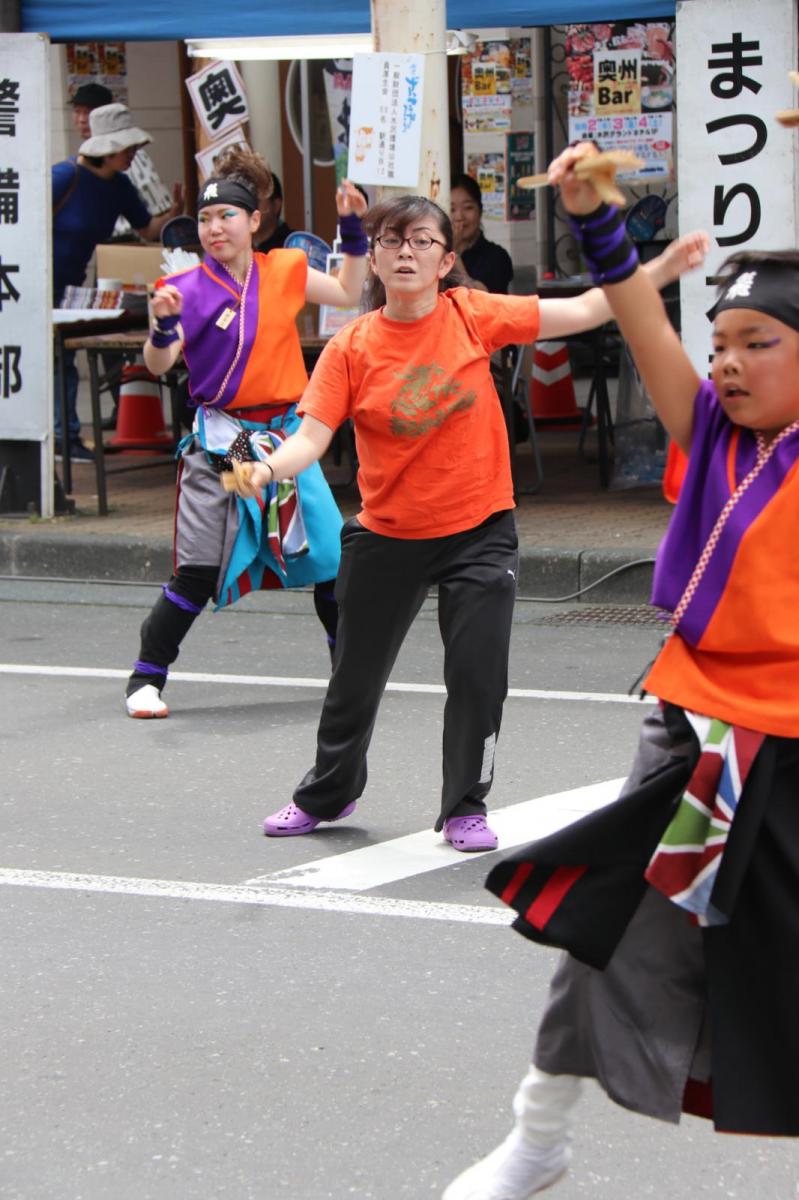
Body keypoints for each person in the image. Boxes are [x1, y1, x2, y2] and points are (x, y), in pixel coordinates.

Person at [443, 143, 799, 1200]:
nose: (727, 363)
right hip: (697, 743)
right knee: (607, 930)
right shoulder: (709, 438)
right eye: (721, 342)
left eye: (758, 344)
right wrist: (599, 216)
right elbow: (638, 316)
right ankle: (537, 1135)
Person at [225, 194, 707, 852]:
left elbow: (588, 309)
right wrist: (269, 469)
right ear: (373, 260)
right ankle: (328, 791)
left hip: (479, 531)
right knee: (353, 681)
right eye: (391, 241)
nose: (404, 252)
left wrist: (658, 270)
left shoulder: (471, 314)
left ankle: (464, 806)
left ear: (446, 260)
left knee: (478, 677)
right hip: (386, 534)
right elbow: (310, 438)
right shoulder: (351, 346)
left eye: (422, 241)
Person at [123, 147, 368, 719]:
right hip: (227, 437)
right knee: (202, 567)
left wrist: (353, 228)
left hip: (286, 435)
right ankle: (145, 677)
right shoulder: (184, 286)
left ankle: (348, 677)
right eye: (205, 220)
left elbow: (347, 292)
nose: (214, 229)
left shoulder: (281, 268)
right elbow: (159, 365)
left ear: (254, 220)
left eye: (226, 217)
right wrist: (161, 325)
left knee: (332, 560)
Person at [53, 103, 183, 460]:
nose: (134, 154)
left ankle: (66, 437)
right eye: (128, 149)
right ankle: (63, 438)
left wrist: (174, 213)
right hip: (40, 284)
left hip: (72, 289)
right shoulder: (64, 178)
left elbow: (147, 230)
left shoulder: (120, 185)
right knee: (56, 361)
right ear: (107, 150)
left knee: (62, 358)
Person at [450, 173, 514, 294]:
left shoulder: (497, 256)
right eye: (452, 209)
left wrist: (454, 252)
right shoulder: (436, 255)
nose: (459, 217)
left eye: (468, 208)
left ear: (480, 210)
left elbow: (476, 299)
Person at [253, 172, 293, 253]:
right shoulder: (239, 244)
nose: (250, 206)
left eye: (256, 201)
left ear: (276, 205)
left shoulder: (293, 245)